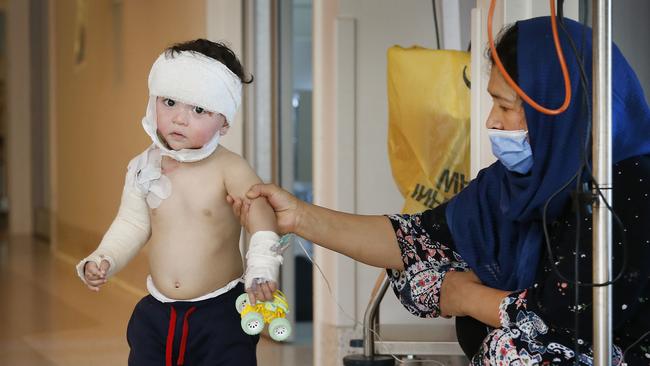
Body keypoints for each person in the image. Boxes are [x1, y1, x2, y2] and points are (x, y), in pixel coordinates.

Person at [229, 16, 650, 365]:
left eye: (505, 107)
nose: (491, 122)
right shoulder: (507, 187)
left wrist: (463, 295)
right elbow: (413, 241)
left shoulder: (626, 193)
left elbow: (551, 321)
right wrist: (300, 217)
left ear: (561, 108)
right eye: (493, 103)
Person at [76, 39, 284, 366]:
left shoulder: (229, 167)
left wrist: (262, 264)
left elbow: (260, 211)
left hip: (220, 312)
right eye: (169, 102)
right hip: (157, 312)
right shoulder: (145, 166)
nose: (179, 119)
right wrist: (105, 257)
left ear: (225, 121)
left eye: (199, 109)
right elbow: (132, 223)